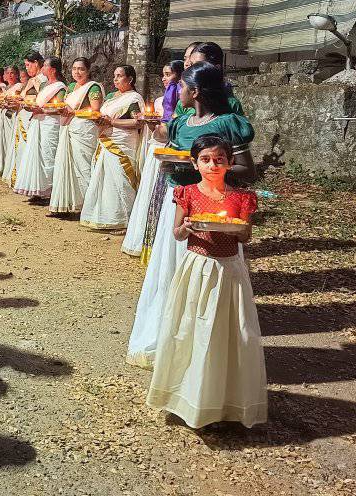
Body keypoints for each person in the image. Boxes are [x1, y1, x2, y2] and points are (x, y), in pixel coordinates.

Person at [127, 61, 256, 367]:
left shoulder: (226, 124)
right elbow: (172, 155)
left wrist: (199, 167)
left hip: (211, 211)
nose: (178, 91)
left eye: (182, 86)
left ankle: (203, 350)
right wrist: (173, 165)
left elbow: (246, 169)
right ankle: (168, 340)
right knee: (169, 274)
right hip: (179, 209)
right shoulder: (181, 124)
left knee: (205, 280)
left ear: (195, 92)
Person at [146, 134, 266, 428]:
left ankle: (225, 401)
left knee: (229, 331)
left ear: (230, 162)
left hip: (228, 271)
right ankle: (186, 394)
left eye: (219, 160)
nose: (213, 165)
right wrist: (185, 227)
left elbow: (245, 235)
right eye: (206, 160)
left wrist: (237, 230)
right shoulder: (187, 193)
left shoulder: (241, 197)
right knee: (191, 327)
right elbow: (176, 232)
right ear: (195, 163)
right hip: (197, 268)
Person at [121, 60, 182, 258]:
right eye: (163, 74)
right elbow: (155, 131)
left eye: (169, 74)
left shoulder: (181, 101)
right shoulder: (158, 101)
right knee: (149, 192)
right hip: (155, 146)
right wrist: (150, 123)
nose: (165, 79)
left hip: (170, 149)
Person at [79, 65, 144, 231]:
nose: (115, 79)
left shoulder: (133, 99)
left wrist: (112, 122)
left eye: (120, 76)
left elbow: (138, 122)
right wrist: (99, 119)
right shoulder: (111, 97)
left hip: (122, 142)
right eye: (114, 75)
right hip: (106, 139)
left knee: (121, 181)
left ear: (130, 79)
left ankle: (124, 220)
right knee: (104, 180)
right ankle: (106, 217)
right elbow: (102, 115)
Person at [49, 57, 104, 215]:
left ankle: (86, 207)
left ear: (88, 71)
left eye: (81, 69)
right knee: (65, 165)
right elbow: (66, 106)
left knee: (83, 167)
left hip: (84, 130)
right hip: (68, 127)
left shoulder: (93, 88)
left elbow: (95, 111)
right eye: (74, 69)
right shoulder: (71, 86)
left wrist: (74, 112)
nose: (77, 72)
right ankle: (67, 204)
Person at [13, 57, 67, 200]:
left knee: (49, 156)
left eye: (45, 66)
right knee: (37, 156)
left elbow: (59, 107)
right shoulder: (44, 86)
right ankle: (38, 189)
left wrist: (42, 110)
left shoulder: (60, 87)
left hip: (51, 124)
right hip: (38, 122)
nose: (42, 69)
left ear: (53, 70)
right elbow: (38, 102)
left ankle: (50, 191)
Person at [1, 52, 44, 189]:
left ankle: (29, 183)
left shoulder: (41, 80)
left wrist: (22, 100)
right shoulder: (32, 80)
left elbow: (40, 100)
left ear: (36, 63)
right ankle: (21, 180)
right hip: (22, 116)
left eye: (28, 65)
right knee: (19, 148)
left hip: (30, 118)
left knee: (27, 150)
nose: (26, 69)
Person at [173, 42, 244, 117]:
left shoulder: (231, 105)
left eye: (198, 65)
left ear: (217, 68)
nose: (192, 69)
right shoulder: (185, 102)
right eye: (191, 64)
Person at [0, 66, 21, 177]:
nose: (10, 75)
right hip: (2, 115)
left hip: (11, 116)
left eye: (12, 73)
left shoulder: (19, 86)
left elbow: (16, 102)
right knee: (1, 140)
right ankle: (2, 165)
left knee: (9, 140)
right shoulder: (6, 87)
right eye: (8, 73)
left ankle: (11, 167)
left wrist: (6, 104)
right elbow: (0, 101)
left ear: (17, 74)